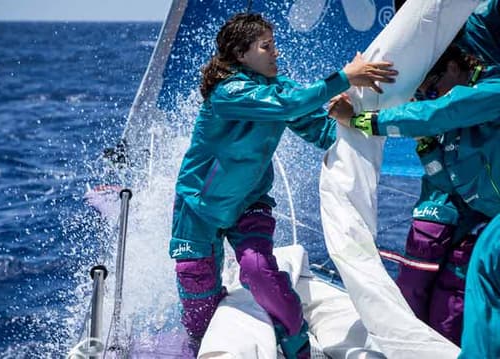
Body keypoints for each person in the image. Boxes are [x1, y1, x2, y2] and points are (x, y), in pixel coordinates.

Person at [169, 12, 396, 357]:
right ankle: (200, 346)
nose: (276, 53)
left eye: (275, 46)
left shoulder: (281, 90)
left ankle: (297, 346)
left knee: (258, 272)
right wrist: (343, 77)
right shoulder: (227, 93)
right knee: (197, 292)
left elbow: (321, 132)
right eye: (267, 46)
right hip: (199, 205)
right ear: (242, 55)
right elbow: (285, 105)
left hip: (250, 202)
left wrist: (353, 118)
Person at [330, 44, 499, 358]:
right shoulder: (445, 101)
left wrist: (361, 121)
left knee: (459, 305)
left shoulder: (489, 88)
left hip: (489, 222)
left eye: (432, 87)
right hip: (466, 211)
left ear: (451, 67)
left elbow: (440, 113)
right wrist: (425, 144)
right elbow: (445, 171)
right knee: (418, 285)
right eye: (423, 93)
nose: (428, 96)